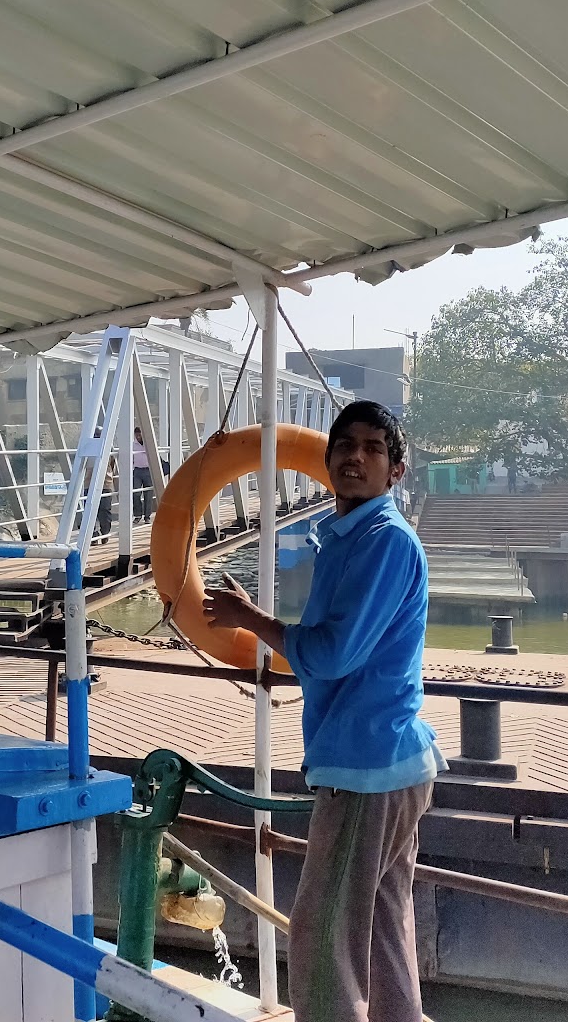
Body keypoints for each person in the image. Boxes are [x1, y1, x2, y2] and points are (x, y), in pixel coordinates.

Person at [204, 400, 442, 1022]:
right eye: (344, 445)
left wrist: (250, 619)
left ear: (396, 469)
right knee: (384, 924)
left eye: (372, 447)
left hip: (368, 764)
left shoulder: (385, 541)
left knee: (322, 932)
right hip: (387, 762)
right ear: (327, 458)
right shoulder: (349, 538)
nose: (355, 456)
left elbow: (334, 653)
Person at [131, 426, 155, 522]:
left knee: (148, 494)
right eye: (136, 435)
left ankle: (147, 516)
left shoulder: (148, 444)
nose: (138, 437)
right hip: (137, 470)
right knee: (136, 493)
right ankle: (137, 515)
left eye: (139, 435)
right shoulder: (133, 445)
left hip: (148, 470)